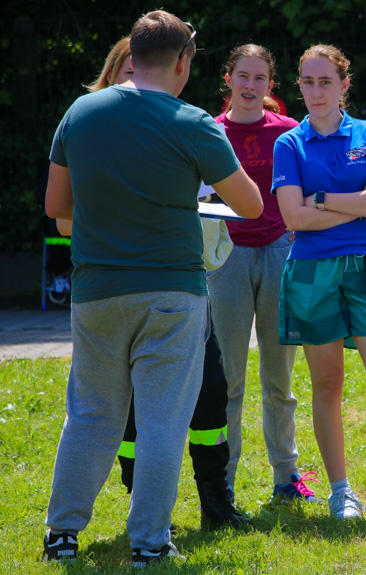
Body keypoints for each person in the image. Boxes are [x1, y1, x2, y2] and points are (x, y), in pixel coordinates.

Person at [42, 10, 262, 567]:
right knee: (165, 419)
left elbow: (56, 209)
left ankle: (61, 535)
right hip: (172, 292)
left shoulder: (80, 112)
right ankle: (149, 544)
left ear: (131, 56)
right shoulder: (193, 122)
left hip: (95, 291)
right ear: (183, 63)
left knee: (90, 413)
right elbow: (252, 206)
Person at [272, 44, 366, 519]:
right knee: (327, 386)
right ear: (298, 86)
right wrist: (350, 201)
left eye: (326, 82)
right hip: (312, 272)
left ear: (344, 86)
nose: (317, 92)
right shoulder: (289, 144)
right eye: (309, 82)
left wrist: (319, 201)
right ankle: (341, 492)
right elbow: (291, 215)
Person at [208, 43, 319, 506]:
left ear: (270, 85)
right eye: (243, 76)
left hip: (279, 253)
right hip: (227, 258)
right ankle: (223, 482)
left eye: (260, 78)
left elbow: (311, 192)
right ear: (228, 80)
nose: (250, 86)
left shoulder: (290, 132)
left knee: (280, 380)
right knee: (228, 380)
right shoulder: (209, 132)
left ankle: (286, 478)